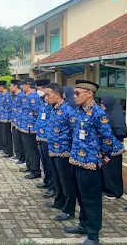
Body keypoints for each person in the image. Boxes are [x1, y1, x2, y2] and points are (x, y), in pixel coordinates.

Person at [64, 80, 115, 245]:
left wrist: (106, 155)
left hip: (90, 163)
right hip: (76, 160)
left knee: (92, 199)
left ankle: (93, 234)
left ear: (89, 93)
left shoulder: (98, 113)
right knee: (80, 195)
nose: (74, 96)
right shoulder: (78, 111)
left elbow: (108, 138)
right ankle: (83, 224)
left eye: (77, 93)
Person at [44, 83, 76, 222]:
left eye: (48, 95)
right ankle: (59, 201)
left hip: (64, 152)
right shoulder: (53, 109)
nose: (46, 98)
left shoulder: (68, 111)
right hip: (53, 150)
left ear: (57, 95)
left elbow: (74, 132)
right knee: (57, 179)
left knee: (66, 181)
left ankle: (69, 210)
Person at [100, 95, 126, 200]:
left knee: (113, 171)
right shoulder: (106, 114)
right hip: (106, 148)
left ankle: (115, 191)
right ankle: (107, 188)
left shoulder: (115, 116)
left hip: (114, 149)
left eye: (103, 104)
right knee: (106, 171)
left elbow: (120, 132)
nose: (101, 105)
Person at [34, 79, 55, 198]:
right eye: (45, 94)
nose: (45, 97)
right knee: (45, 163)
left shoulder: (53, 107)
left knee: (50, 164)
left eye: (47, 95)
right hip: (41, 137)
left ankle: (53, 186)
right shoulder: (43, 104)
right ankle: (47, 181)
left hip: (48, 138)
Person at [18, 78, 41, 179]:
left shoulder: (33, 97)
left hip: (30, 128)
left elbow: (37, 112)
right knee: (27, 148)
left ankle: (35, 170)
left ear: (27, 85)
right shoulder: (27, 96)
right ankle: (29, 166)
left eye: (23, 85)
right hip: (24, 127)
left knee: (32, 150)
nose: (22, 87)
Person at [10, 80, 26, 165]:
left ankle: (22, 158)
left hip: (20, 121)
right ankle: (18, 155)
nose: (10, 88)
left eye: (11, 86)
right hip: (15, 120)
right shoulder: (15, 95)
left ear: (16, 86)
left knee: (20, 140)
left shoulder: (21, 95)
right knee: (15, 139)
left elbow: (23, 110)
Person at [0, 80, 13, 158]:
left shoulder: (8, 95)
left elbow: (10, 107)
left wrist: (8, 117)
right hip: (2, 117)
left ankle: (9, 151)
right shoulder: (2, 95)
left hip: (7, 118)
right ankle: (5, 149)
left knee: (7, 135)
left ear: (1, 87)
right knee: (3, 134)